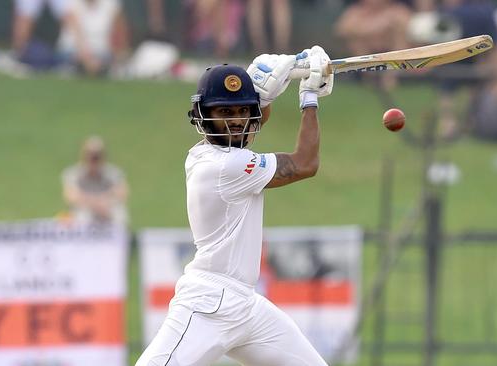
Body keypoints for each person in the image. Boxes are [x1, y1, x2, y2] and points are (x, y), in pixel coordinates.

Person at [135, 46, 333, 365]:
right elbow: (305, 163)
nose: (237, 121)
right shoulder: (226, 167)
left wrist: (264, 97)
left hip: (245, 305)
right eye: (225, 113)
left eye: (243, 111)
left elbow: (246, 132)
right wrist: (309, 97)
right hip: (208, 304)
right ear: (204, 117)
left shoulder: (204, 154)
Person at [61, 136, 129, 225]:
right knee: (83, 216)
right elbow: (71, 196)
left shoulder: (113, 173)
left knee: (119, 214)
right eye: (91, 155)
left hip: (107, 206)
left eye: (97, 156)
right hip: (85, 208)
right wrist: (96, 204)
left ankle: (120, 238)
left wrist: (105, 203)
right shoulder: (74, 173)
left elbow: (122, 193)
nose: (94, 159)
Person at [56, 0, 127, 76]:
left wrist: (118, 54)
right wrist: (87, 60)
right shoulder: (71, 3)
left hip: (102, 53)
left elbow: (119, 31)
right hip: (73, 51)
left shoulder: (111, 3)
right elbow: (77, 35)